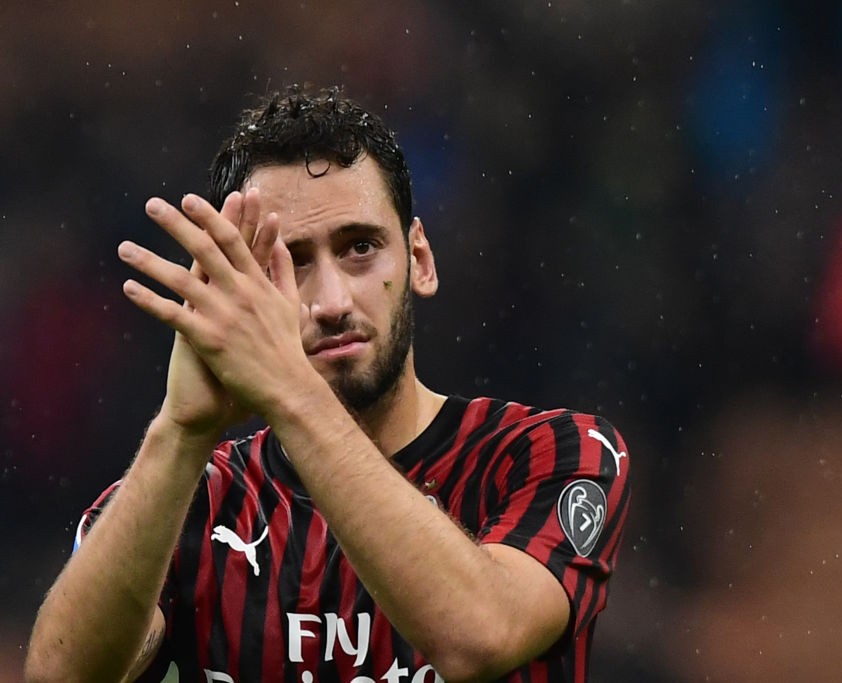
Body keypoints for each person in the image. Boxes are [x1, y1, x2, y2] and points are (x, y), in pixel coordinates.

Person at [24, 85, 631, 683]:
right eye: (289, 262)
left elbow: (479, 638)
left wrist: (290, 390)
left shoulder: (553, 453)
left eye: (360, 247)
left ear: (419, 260)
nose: (332, 302)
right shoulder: (195, 498)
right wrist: (181, 430)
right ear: (233, 292)